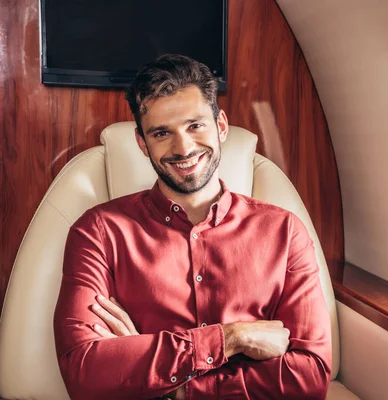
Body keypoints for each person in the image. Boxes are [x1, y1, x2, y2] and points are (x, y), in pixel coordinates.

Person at [53, 54, 332, 400]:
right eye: (161, 133)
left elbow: (310, 378)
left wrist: (169, 382)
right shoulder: (97, 232)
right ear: (143, 144)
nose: (182, 147)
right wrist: (233, 337)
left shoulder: (286, 233)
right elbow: (84, 373)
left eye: (195, 125)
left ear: (222, 126)